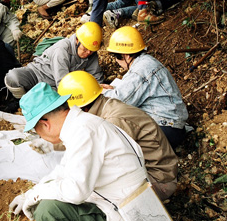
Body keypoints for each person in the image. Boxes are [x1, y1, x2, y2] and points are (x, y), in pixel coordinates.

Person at [9, 82, 158, 221]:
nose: (40, 136)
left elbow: (75, 191)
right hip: (125, 201)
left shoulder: (83, 131)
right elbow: (63, 171)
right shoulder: (81, 125)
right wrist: (30, 194)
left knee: (48, 210)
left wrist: (36, 196)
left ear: (44, 124)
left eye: (37, 131)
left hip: (129, 211)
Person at [58, 70, 178, 200]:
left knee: (86, 191)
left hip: (159, 179)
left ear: (81, 107)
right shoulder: (106, 106)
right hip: (152, 171)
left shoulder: (112, 121)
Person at [104, 26, 188, 149]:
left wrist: (99, 92)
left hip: (166, 128)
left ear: (126, 55)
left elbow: (119, 101)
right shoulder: (146, 62)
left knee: (117, 134)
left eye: (116, 57)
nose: (116, 61)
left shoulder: (140, 70)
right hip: (172, 124)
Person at [5, 22, 103, 99]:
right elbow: (62, 82)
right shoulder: (62, 49)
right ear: (77, 40)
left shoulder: (90, 52)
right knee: (14, 77)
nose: (88, 53)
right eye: (85, 49)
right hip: (37, 75)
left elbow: (97, 77)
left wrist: (98, 88)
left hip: (53, 87)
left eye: (92, 51)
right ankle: (21, 102)